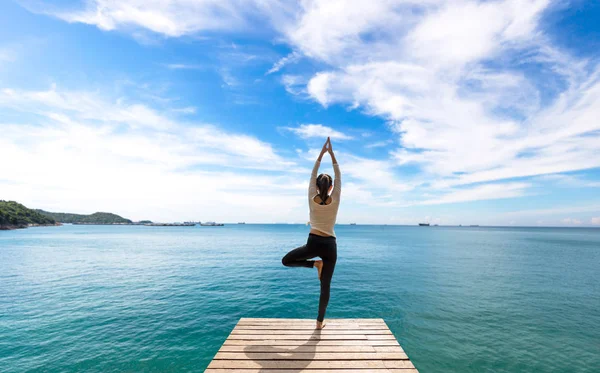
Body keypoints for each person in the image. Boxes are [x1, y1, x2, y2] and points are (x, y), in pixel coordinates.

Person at [282, 137, 341, 329]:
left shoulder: (311, 196)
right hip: (330, 246)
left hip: (313, 243)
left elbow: (312, 174)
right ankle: (319, 323)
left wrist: (321, 154)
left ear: (316, 186)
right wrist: (332, 155)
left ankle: (315, 264)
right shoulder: (336, 198)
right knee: (325, 287)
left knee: (286, 260)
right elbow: (339, 176)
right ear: (331, 188)